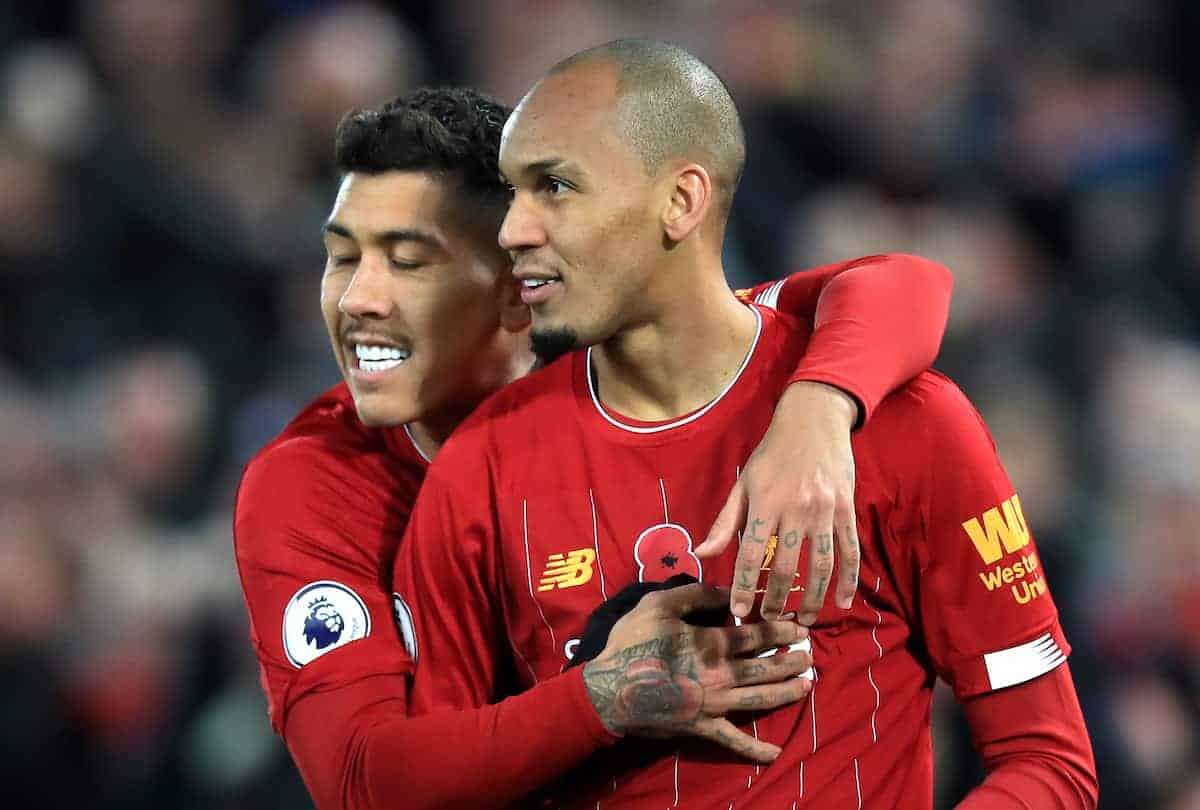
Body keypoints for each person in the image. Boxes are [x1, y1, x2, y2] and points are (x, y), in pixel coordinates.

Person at [391, 41, 1098, 808]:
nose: (513, 230)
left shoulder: (904, 425)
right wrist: (595, 699)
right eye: (511, 192)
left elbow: (1048, 761)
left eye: (555, 186)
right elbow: (424, 786)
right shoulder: (480, 470)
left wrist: (818, 410)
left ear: (682, 201)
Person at [234, 87, 954, 809]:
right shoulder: (310, 484)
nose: (357, 298)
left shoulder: (620, 362)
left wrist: (819, 408)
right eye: (341, 257)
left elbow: (902, 285)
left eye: (408, 262)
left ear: (520, 289)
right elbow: (363, 784)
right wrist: (608, 694)